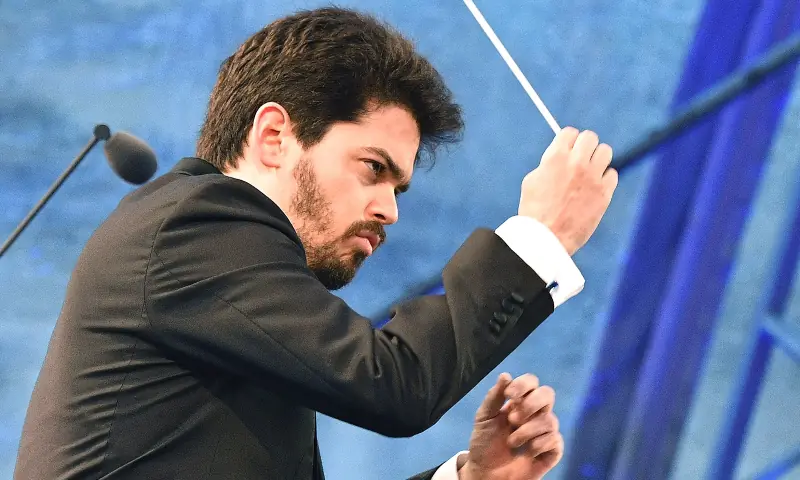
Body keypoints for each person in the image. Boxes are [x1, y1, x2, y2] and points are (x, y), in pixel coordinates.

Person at [14, 6, 617, 480]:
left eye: (400, 186)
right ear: (275, 135)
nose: (389, 209)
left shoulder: (238, 309)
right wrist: (541, 236)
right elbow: (392, 384)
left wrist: (472, 477)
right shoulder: (192, 223)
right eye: (372, 168)